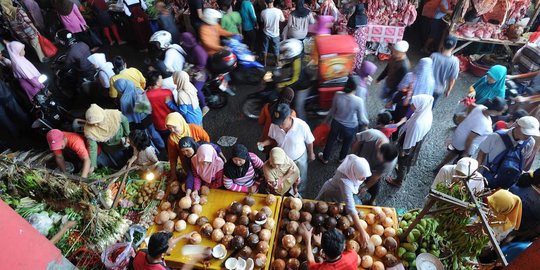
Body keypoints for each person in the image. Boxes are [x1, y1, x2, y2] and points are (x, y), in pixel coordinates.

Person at [435, 97, 507, 171]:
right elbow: (470, 138)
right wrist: (466, 153)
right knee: (460, 164)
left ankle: (439, 167)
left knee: (454, 152)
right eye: (501, 112)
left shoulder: (481, 107)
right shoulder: (484, 123)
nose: (501, 114)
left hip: (459, 135)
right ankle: (449, 173)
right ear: (495, 111)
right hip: (465, 144)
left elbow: (471, 107)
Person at [315, 155, 372, 248]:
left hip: (338, 194)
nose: (365, 178)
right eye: (362, 176)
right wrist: (362, 231)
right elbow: (351, 208)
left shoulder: (353, 161)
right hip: (331, 194)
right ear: (354, 173)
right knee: (322, 210)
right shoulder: (345, 182)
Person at [258, 103, 315, 195]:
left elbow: (309, 141)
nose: (280, 126)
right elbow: (272, 139)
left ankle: (299, 194)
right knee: (282, 179)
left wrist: (311, 154)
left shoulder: (302, 125)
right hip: (281, 162)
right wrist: (263, 143)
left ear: (289, 117)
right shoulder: (274, 125)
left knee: (300, 178)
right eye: (278, 122)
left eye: (282, 122)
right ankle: (284, 194)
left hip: (299, 159)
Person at [477, 116, 539, 189]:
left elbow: (523, 161)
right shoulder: (496, 136)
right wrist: (476, 173)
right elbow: (481, 154)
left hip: (506, 181)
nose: (528, 136)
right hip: (485, 177)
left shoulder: (530, 142)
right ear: (516, 126)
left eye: (531, 134)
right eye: (526, 132)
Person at [318, 77, 369, 164]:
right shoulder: (358, 101)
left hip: (336, 123)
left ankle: (325, 158)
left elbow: (332, 110)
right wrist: (367, 123)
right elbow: (362, 119)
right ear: (355, 87)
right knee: (347, 143)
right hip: (350, 127)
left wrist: (326, 120)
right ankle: (341, 159)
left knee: (331, 140)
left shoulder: (338, 94)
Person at [387, 95, 434, 186]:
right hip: (416, 142)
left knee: (403, 162)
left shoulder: (417, 123)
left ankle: (398, 181)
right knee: (408, 161)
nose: (411, 105)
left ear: (420, 105)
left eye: (414, 103)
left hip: (409, 144)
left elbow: (409, 141)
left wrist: (404, 151)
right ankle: (404, 173)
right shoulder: (426, 113)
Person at [114, 79, 166, 151]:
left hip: (137, 123)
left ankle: (153, 150)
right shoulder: (137, 90)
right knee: (154, 132)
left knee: (144, 137)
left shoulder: (123, 100)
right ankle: (162, 146)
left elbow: (126, 115)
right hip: (147, 117)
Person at [351, 129, 399, 205]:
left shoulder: (390, 162)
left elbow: (376, 176)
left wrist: (365, 187)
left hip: (372, 170)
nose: (381, 162)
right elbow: (357, 142)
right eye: (381, 159)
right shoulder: (371, 134)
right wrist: (352, 157)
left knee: (374, 186)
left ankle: (372, 199)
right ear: (379, 149)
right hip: (359, 160)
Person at [165, 112, 210, 182]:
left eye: (174, 127)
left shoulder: (194, 128)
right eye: (170, 128)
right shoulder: (172, 139)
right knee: (195, 179)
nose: (172, 130)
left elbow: (207, 140)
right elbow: (172, 157)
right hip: (188, 164)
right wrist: (173, 174)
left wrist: (207, 155)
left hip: (203, 160)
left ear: (180, 122)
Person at [84, 104, 130, 170]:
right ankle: (121, 169)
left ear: (102, 117)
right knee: (118, 159)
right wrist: (92, 165)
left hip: (122, 141)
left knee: (126, 155)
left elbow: (125, 121)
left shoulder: (113, 115)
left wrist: (128, 135)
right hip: (110, 147)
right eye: (92, 124)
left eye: (97, 122)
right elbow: (92, 147)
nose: (95, 125)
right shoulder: (89, 130)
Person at [130, 231, 199, 270]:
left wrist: (183, 236)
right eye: (171, 248)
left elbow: (168, 244)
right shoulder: (162, 269)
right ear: (163, 254)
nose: (174, 246)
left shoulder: (141, 252)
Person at [258, 87, 296, 153]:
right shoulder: (291, 113)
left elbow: (261, 121)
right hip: (280, 140)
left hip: (267, 135)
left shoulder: (267, 106)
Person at [179, 32, 209, 114]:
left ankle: (204, 106)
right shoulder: (192, 47)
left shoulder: (197, 50)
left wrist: (192, 70)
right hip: (197, 69)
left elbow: (202, 63)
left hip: (202, 71)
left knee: (196, 89)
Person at [145, 71, 174, 146]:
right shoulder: (168, 92)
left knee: (167, 142)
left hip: (158, 125)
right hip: (172, 121)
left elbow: (142, 110)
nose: (162, 80)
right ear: (157, 82)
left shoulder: (145, 95)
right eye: (161, 79)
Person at [431, 35, 459, 105]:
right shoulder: (455, 61)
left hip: (427, 86)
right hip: (439, 89)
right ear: (454, 46)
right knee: (430, 107)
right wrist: (448, 90)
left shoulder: (433, 56)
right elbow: (452, 79)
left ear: (443, 44)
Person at [261, 0, 284, 66]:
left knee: (265, 48)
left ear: (265, 2)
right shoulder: (278, 11)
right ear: (273, 0)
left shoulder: (263, 12)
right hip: (275, 34)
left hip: (266, 33)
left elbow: (261, 20)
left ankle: (264, 63)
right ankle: (277, 63)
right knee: (276, 49)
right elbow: (283, 19)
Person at [348, 3, 368, 71]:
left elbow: (349, 29)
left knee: (354, 53)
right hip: (363, 39)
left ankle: (352, 68)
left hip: (354, 39)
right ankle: (357, 68)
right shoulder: (365, 17)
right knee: (360, 53)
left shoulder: (352, 18)